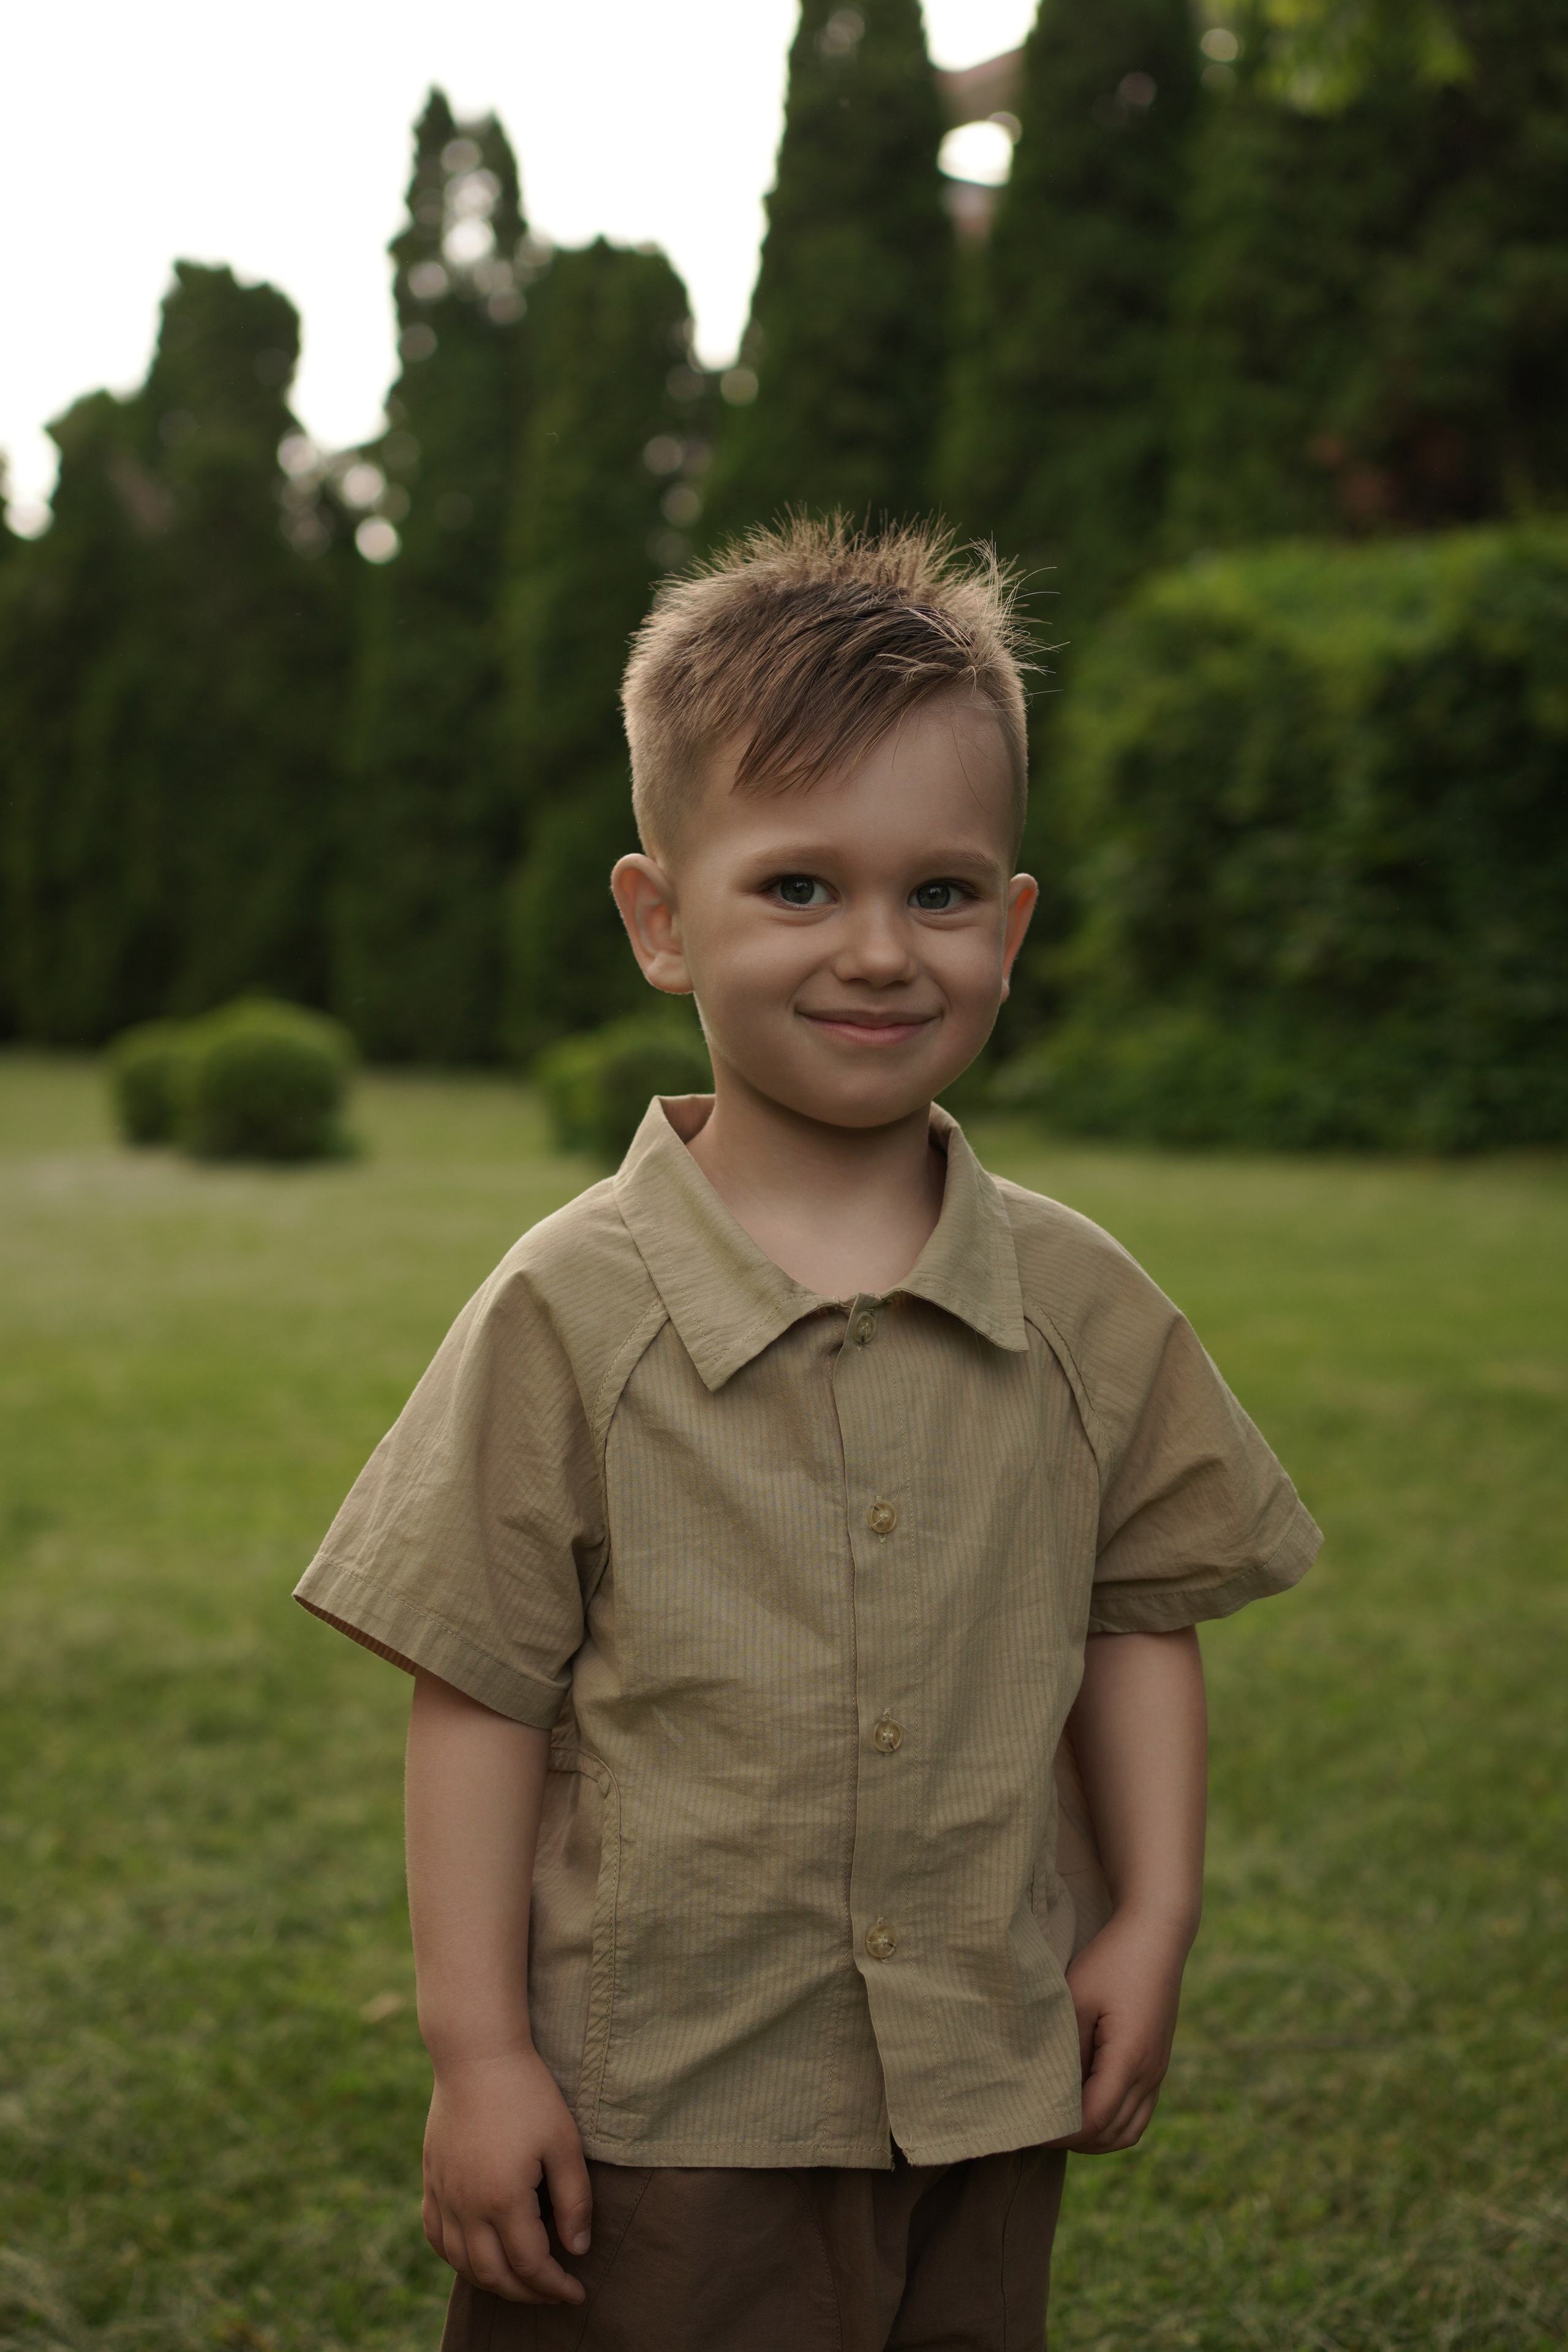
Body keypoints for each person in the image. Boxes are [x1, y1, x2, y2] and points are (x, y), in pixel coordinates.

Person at [295, 518, 1320, 2350]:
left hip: (983, 2077)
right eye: (797, 889)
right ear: (659, 918)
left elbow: (1135, 1615)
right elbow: (478, 1690)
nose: (877, 951)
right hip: (665, 2111)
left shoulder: (1085, 1309)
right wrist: (479, 2054)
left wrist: (1151, 1918)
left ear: (1009, 925)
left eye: (940, 893)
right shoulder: (570, 1308)